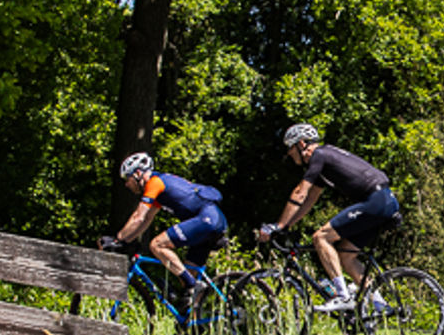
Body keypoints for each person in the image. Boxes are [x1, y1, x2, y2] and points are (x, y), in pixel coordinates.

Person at [257, 124, 401, 313]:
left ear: (301, 144)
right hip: (385, 201)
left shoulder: (319, 155)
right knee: (347, 257)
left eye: (291, 148)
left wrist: (278, 225)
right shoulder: (325, 161)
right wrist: (287, 225)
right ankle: (380, 305)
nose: (290, 154)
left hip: (375, 200)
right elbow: (309, 200)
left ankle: (343, 296)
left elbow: (300, 193)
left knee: (321, 237)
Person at [100, 152, 227, 309]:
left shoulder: (155, 183)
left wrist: (117, 239)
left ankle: (194, 286)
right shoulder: (161, 188)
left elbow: (138, 217)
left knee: (157, 245)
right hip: (213, 220)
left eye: (128, 179)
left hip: (206, 219)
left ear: (138, 174)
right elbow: (146, 220)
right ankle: (193, 325)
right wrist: (126, 240)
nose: (127, 184)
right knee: (186, 275)